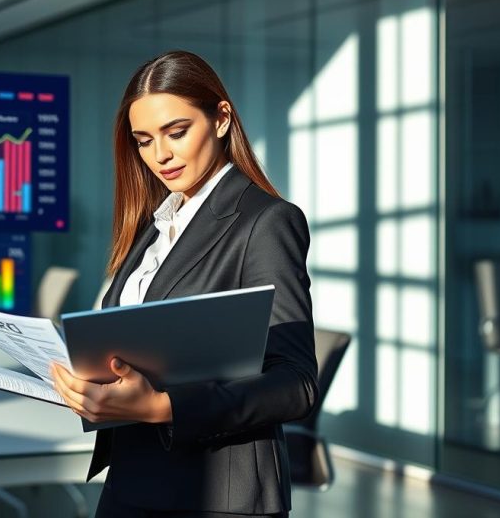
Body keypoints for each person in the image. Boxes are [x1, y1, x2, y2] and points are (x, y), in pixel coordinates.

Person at [51, 51, 319, 518]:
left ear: (220, 118)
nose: (161, 155)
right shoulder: (155, 225)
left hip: (217, 494)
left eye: (177, 132)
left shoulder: (266, 222)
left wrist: (163, 407)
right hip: (134, 480)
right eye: (143, 141)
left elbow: (295, 385)